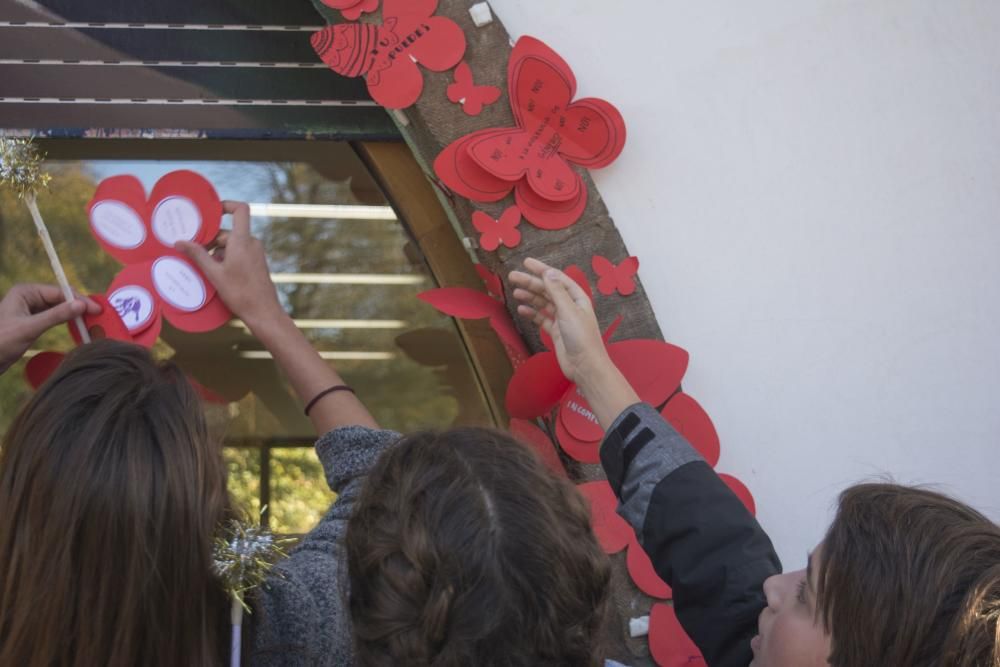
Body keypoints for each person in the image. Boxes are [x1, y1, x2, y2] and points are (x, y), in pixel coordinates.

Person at [0, 202, 614, 666]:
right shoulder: (291, 625)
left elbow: (383, 482)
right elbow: (381, 481)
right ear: (211, 513)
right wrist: (266, 315)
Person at [510, 258, 1000, 667]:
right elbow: (708, 537)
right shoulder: (765, 640)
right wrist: (591, 365)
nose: (771, 585)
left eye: (807, 597)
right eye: (802, 572)